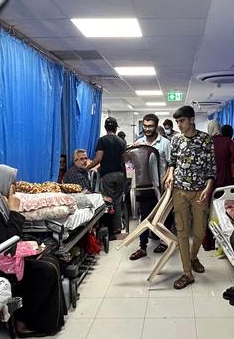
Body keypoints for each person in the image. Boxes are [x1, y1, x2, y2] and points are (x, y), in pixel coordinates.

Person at [0, 165, 64, 337]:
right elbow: (6, 242)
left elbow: (8, 238)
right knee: (45, 271)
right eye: (10, 183)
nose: (12, 188)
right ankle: (24, 322)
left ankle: (44, 320)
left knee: (51, 260)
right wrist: (14, 211)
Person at [164, 106, 216, 289]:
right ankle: (187, 272)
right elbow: (172, 161)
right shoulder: (176, 140)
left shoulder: (205, 139)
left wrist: (208, 188)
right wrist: (170, 173)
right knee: (182, 231)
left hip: (200, 191)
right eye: (177, 122)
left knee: (200, 231)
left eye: (182, 121)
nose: (179, 125)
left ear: (191, 119)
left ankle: (194, 256)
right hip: (179, 191)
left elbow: (211, 168)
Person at [129, 114, 172, 260]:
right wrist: (132, 152)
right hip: (144, 185)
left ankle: (164, 242)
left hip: (162, 186)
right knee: (144, 216)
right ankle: (142, 247)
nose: (147, 129)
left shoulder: (165, 143)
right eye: (145, 126)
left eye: (150, 126)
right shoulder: (139, 142)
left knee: (164, 216)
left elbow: (171, 163)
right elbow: (130, 162)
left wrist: (168, 180)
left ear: (156, 126)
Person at [87, 117, 127, 239]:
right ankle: (118, 228)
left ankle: (109, 231)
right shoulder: (121, 142)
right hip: (120, 174)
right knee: (118, 201)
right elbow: (124, 159)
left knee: (108, 202)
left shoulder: (102, 140)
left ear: (105, 128)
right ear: (115, 128)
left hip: (108, 175)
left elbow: (99, 158)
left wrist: (87, 168)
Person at [207, 120, 234, 188]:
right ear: (219, 128)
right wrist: (230, 160)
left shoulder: (205, 142)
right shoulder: (227, 141)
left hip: (209, 181)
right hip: (225, 178)